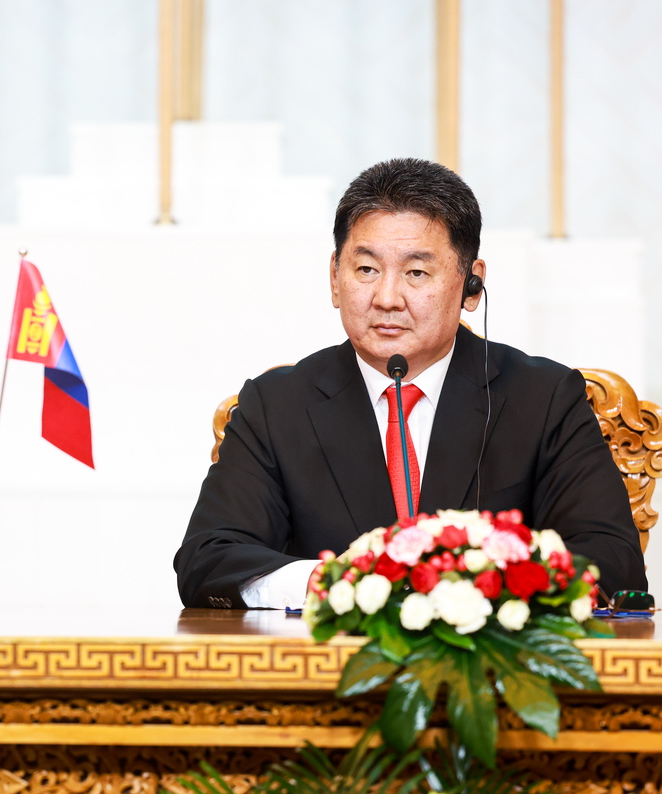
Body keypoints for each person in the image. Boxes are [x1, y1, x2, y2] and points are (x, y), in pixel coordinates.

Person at [176, 158, 646, 609]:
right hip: (326, 676)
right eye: (366, 270)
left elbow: (613, 563)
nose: (386, 298)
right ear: (335, 279)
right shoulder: (276, 406)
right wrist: (336, 584)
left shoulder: (541, 399)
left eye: (417, 273)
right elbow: (208, 560)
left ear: (471, 285)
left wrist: (470, 588)